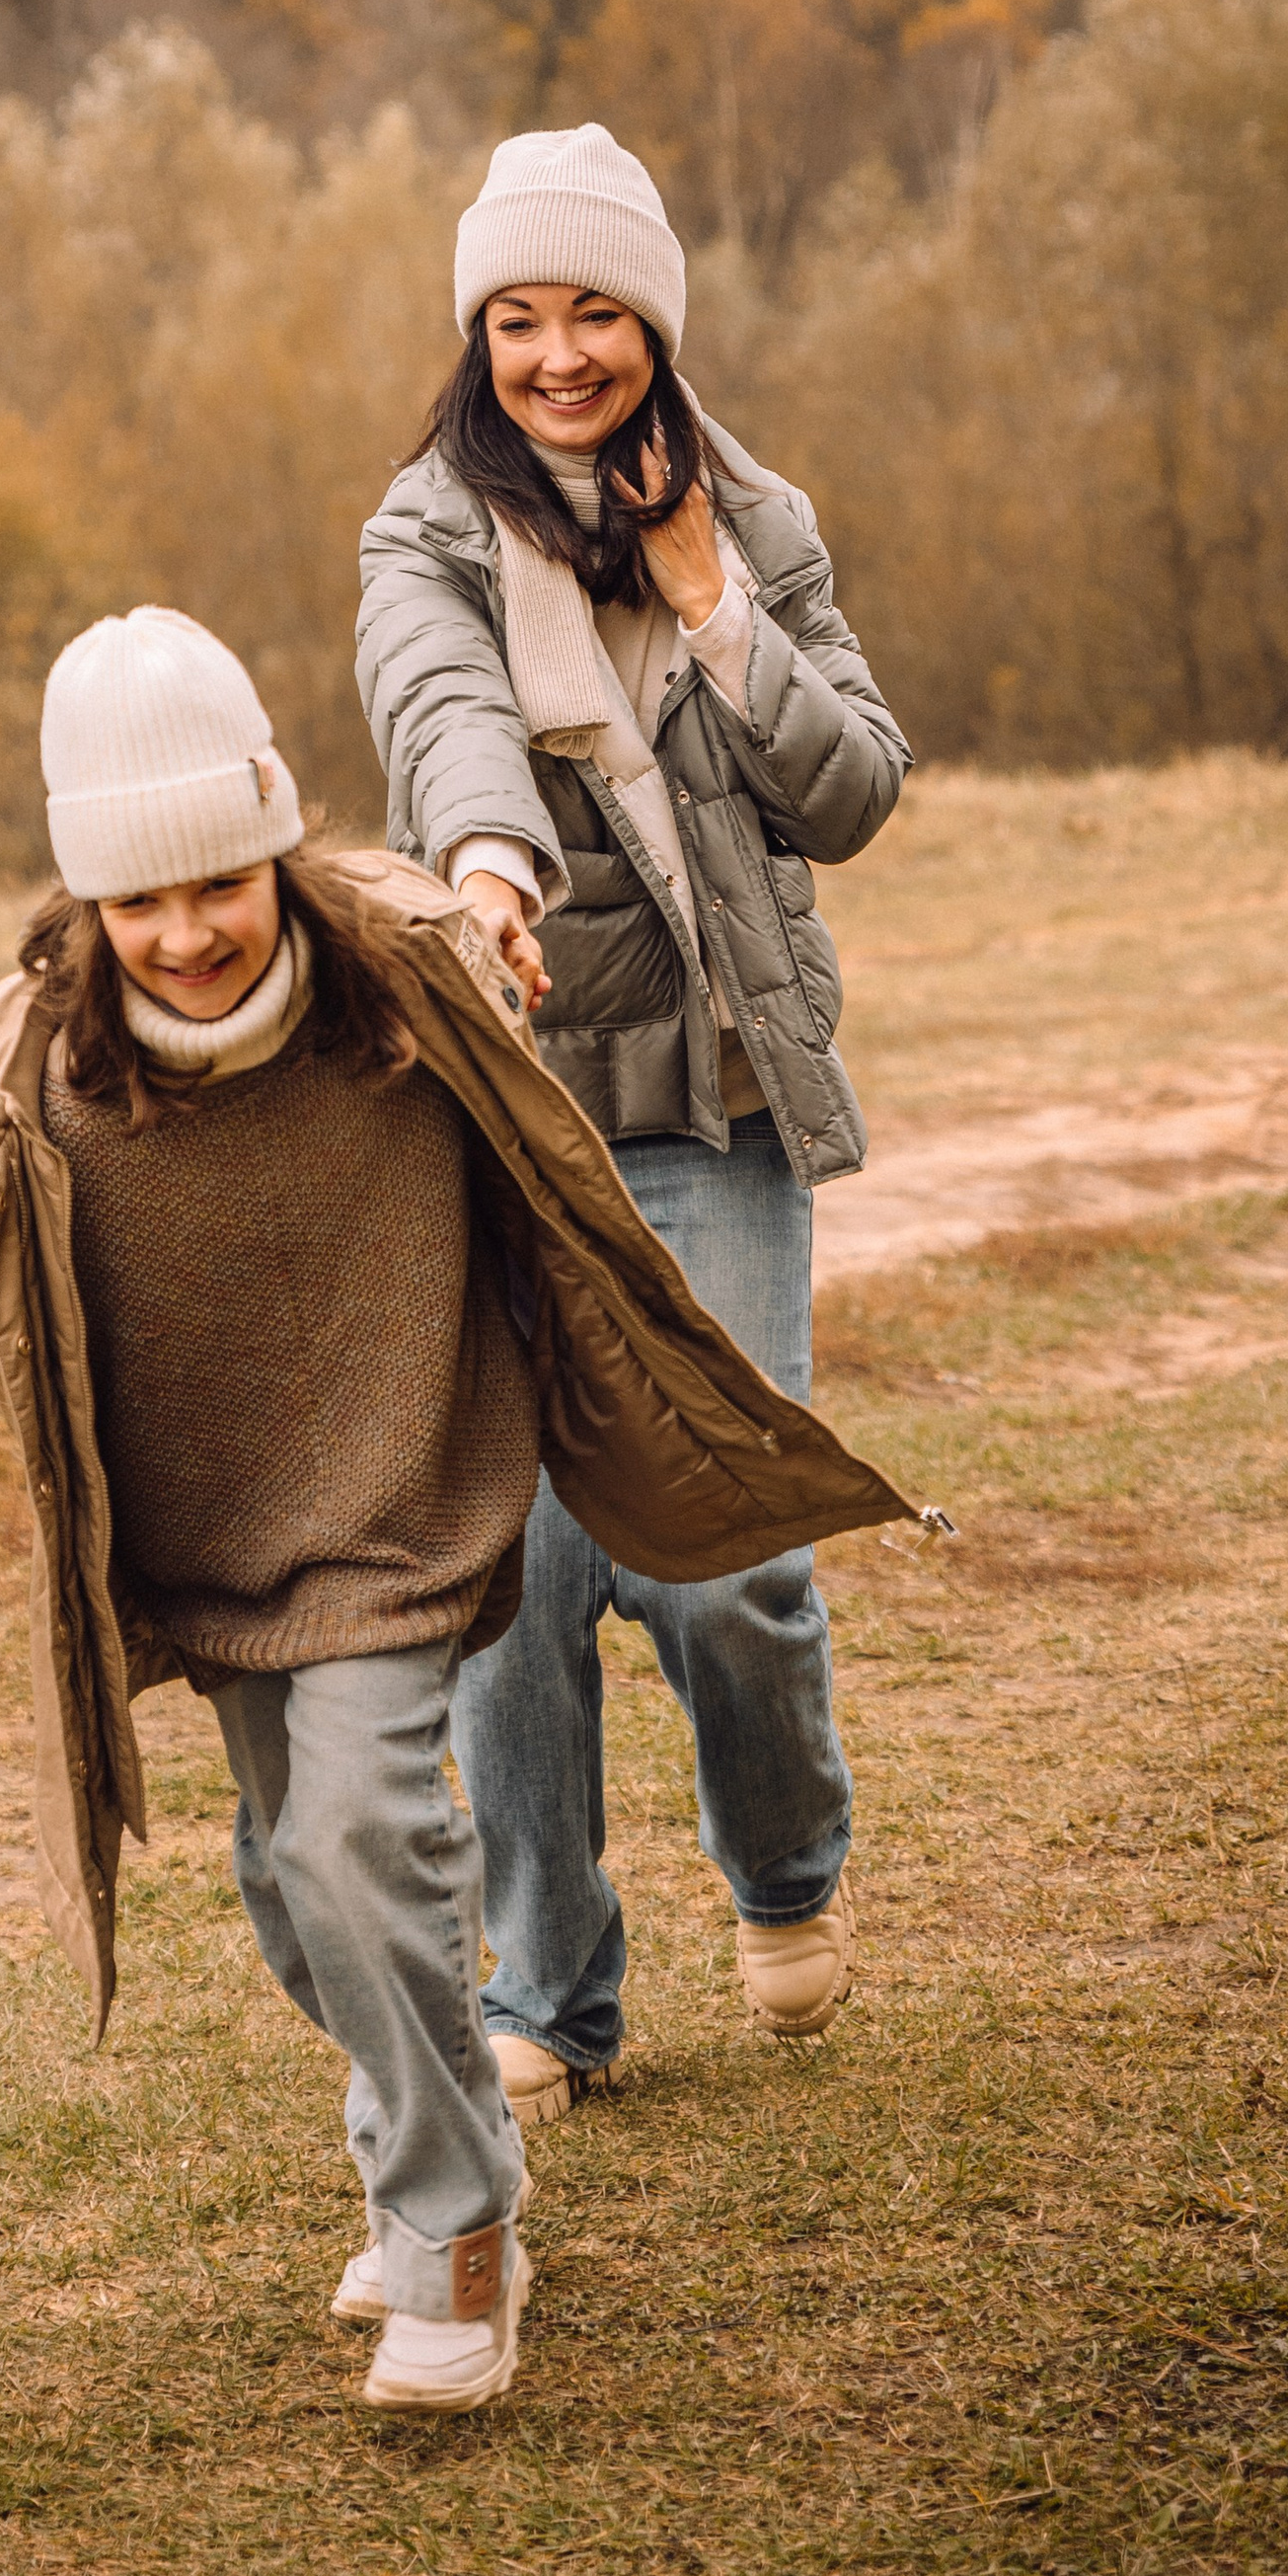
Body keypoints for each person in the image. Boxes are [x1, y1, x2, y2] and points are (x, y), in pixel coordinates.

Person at [0, 607, 916, 2410]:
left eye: (222, 876)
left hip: (401, 1509)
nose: (189, 932)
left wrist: (509, 888)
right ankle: (415, 2130)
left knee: (368, 1833)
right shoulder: (16, 1073)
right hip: (202, 1553)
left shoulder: (406, 980)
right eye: (142, 900)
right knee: (297, 1886)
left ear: (278, 833)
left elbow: (493, 896)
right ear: (81, 901)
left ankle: (457, 2233)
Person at [355, 122, 911, 2128]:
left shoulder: (749, 512)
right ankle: (547, 1990)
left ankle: (782, 1865)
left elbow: (848, 790)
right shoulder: (423, 526)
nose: (556, 350)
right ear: (476, 331)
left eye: (593, 308)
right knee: (509, 1579)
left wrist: (708, 602)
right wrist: (482, 856)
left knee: (720, 1547)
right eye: (515, 314)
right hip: (511, 1120)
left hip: (717, 1114)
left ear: (651, 319)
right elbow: (438, 705)